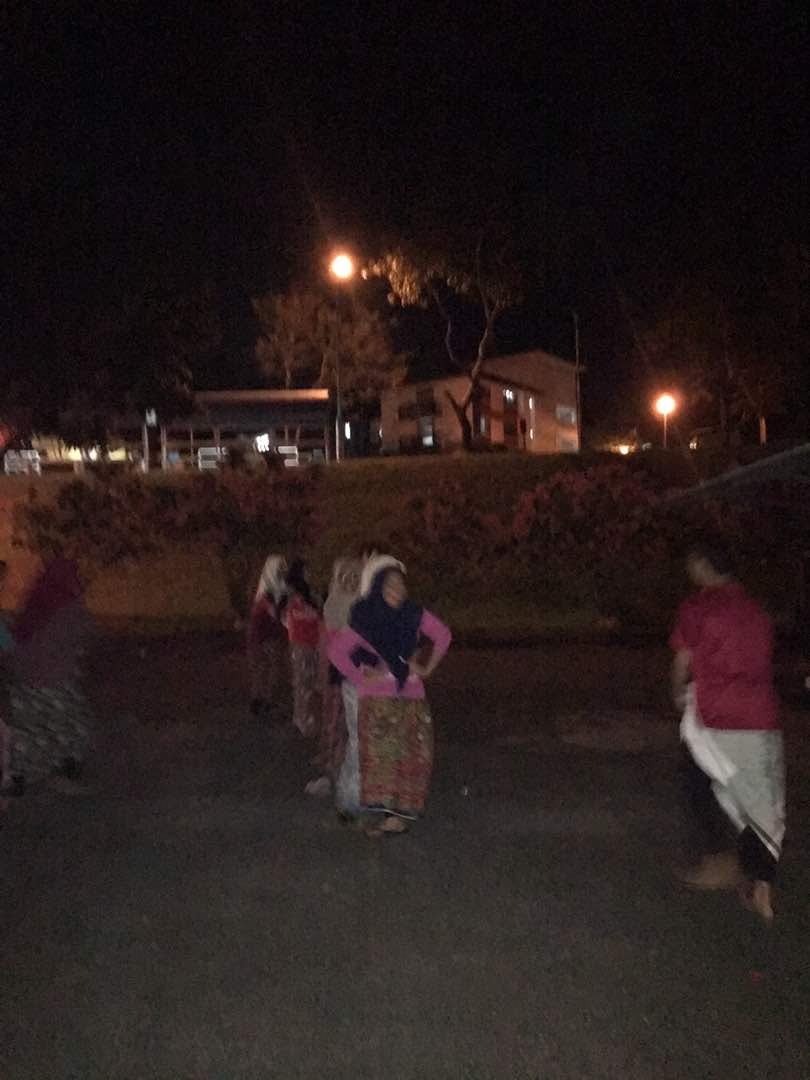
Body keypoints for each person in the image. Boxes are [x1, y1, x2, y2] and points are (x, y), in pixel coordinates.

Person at [670, 540, 785, 922]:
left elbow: (683, 660)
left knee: (698, 784)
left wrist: (677, 691)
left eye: (693, 562)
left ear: (704, 565)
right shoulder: (756, 609)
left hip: (717, 715)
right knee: (757, 798)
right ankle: (760, 881)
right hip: (761, 714)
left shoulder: (699, 607)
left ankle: (720, 861)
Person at [328, 554, 451, 836]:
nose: (397, 591)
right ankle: (376, 815)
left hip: (411, 696)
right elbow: (336, 651)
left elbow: (443, 635)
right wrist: (361, 676)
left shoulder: (413, 613)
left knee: (411, 757)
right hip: (378, 699)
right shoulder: (366, 617)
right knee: (382, 758)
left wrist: (427, 668)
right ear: (377, 586)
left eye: (400, 584)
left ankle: (397, 817)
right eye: (389, 585)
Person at [5, 556, 95, 796]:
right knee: (73, 725)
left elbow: (15, 639)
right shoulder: (71, 609)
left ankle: (17, 777)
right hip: (55, 681)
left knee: (28, 729)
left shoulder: (35, 604)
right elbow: (82, 638)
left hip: (24, 680)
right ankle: (65, 771)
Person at [307, 556, 363, 796]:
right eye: (345, 576)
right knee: (338, 720)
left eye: (354, 576)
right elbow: (328, 642)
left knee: (349, 723)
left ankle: (343, 774)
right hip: (342, 670)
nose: (349, 580)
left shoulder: (356, 603)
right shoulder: (337, 603)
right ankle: (335, 772)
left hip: (355, 672)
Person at [284, 558, 322, 738]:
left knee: (310, 681)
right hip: (300, 642)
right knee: (302, 682)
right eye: (306, 571)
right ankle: (301, 719)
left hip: (312, 641)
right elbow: (304, 614)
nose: (309, 574)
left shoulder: (309, 593)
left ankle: (307, 718)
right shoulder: (294, 594)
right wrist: (315, 613)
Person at [247, 554, 288, 719]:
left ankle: (266, 700)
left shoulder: (282, 590)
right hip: (261, 635)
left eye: (283, 568)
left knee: (273, 668)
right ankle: (260, 701)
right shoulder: (265, 593)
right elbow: (274, 613)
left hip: (274, 633)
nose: (282, 572)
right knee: (263, 668)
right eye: (279, 569)